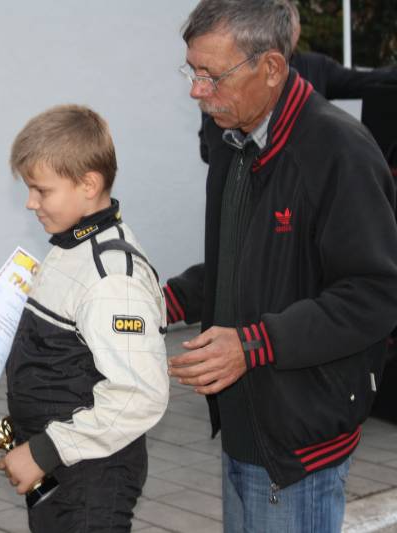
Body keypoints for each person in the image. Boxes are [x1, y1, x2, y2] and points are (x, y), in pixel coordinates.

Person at [167, 1, 397, 531]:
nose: (197, 91)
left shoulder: (340, 151)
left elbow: (376, 293)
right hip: (245, 427)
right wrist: (167, 299)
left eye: (212, 75)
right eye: (192, 71)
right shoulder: (231, 137)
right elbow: (246, 259)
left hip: (300, 445)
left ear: (271, 67)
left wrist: (253, 345)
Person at [0, 104, 169, 532]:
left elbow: (139, 394)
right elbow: (71, 342)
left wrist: (44, 451)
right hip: (62, 467)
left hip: (91, 476)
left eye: (42, 190)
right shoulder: (70, 246)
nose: (30, 203)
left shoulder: (112, 278)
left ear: (88, 184)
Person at [196, 0, 397, 164]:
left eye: (289, 25)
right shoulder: (227, 76)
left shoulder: (316, 66)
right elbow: (208, 146)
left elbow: (362, 81)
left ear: (297, 30)